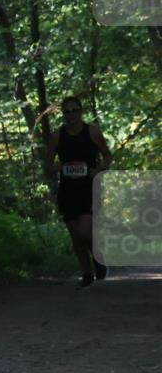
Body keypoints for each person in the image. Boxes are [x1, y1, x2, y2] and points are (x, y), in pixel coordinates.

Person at [44, 95, 112, 289]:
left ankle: (98, 257)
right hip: (67, 190)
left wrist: (98, 170)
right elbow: (47, 165)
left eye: (75, 110)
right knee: (75, 235)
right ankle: (87, 273)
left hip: (89, 188)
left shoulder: (92, 131)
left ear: (81, 111)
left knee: (84, 230)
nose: (71, 115)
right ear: (63, 114)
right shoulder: (57, 135)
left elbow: (107, 156)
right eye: (67, 111)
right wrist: (56, 167)